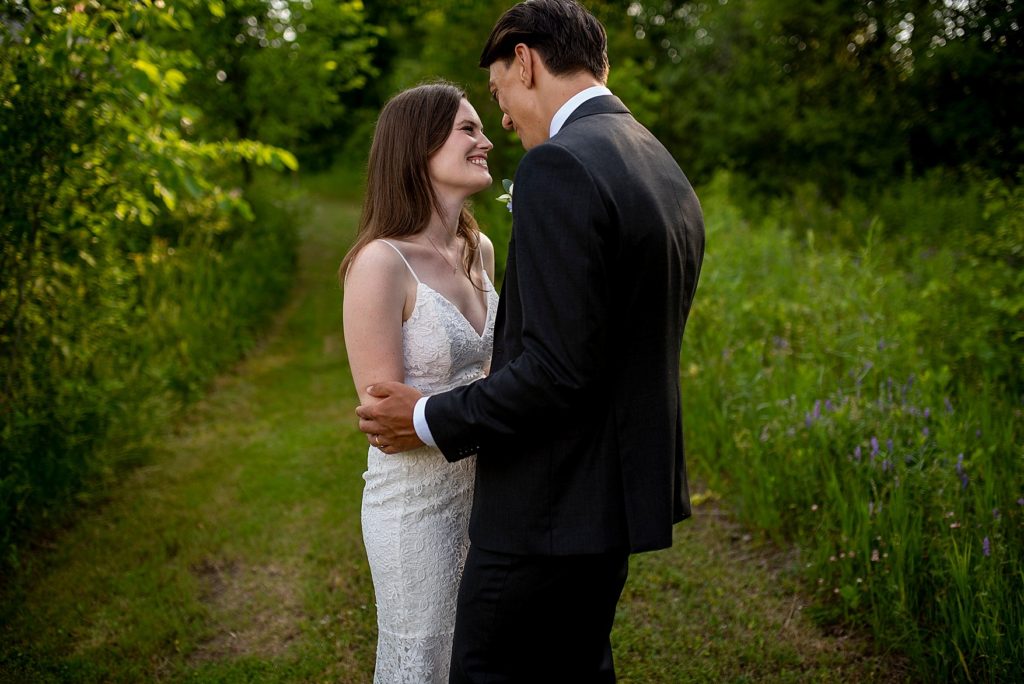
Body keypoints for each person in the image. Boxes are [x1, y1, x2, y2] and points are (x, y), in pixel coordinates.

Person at [356, 0, 705, 680]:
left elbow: (555, 368)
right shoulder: (655, 159)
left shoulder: (560, 165)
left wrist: (426, 415)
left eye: (498, 97)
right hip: (611, 500)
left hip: (546, 506)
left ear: (525, 60)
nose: (504, 122)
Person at [339, 81, 497, 683]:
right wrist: (487, 399)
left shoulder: (476, 248)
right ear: (417, 147)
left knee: (480, 660)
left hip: (491, 491)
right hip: (416, 506)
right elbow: (385, 418)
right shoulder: (380, 263)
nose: (486, 140)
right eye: (468, 129)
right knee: (424, 663)